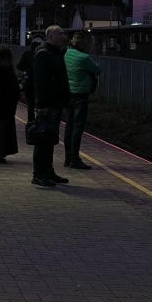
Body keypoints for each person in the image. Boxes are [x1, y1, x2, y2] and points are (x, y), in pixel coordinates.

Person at [32, 24, 71, 187]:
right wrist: (42, 104)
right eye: (60, 34)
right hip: (48, 103)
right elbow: (40, 81)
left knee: (50, 137)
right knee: (43, 138)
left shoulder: (55, 53)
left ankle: (48, 171)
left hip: (56, 102)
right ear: (50, 37)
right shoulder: (44, 54)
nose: (63, 36)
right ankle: (39, 174)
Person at [64, 32, 101, 169]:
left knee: (69, 125)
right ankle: (74, 159)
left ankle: (67, 157)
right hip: (80, 94)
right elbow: (98, 70)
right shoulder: (84, 58)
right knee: (78, 127)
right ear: (83, 43)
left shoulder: (65, 54)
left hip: (68, 93)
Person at [17, 36, 42, 123]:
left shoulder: (27, 53)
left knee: (30, 104)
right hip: (41, 82)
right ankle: (40, 122)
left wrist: (27, 69)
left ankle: (31, 122)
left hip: (29, 82)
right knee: (41, 104)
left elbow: (19, 66)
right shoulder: (44, 53)